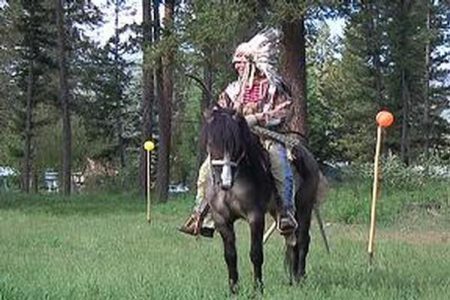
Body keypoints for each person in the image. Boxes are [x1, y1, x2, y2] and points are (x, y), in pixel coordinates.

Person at [179, 28, 297, 237]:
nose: (236, 66)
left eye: (240, 62)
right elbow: (220, 109)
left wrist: (258, 118)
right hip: (236, 141)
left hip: (266, 137)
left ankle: (285, 212)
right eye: (235, 63)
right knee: (207, 169)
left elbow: (285, 109)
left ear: (252, 62)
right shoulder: (232, 89)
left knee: (279, 164)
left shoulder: (273, 86)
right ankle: (201, 215)